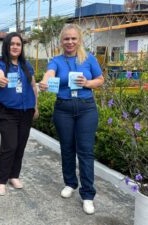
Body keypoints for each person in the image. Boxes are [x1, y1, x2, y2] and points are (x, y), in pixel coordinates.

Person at [39, 24, 104, 214]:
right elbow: (49, 74)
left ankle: (88, 194)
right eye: (66, 39)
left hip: (86, 109)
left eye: (73, 38)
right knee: (67, 148)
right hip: (64, 109)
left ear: (79, 40)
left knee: (85, 151)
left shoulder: (89, 58)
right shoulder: (56, 60)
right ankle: (70, 183)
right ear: (61, 41)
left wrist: (88, 83)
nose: (70, 42)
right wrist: (44, 81)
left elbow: (100, 79)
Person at [0, 32, 39, 196]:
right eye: (12, 44)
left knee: (20, 145)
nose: (15, 47)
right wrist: (0, 79)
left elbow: (33, 86)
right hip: (7, 112)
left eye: (18, 44)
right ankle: (1, 180)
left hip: (26, 111)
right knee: (9, 146)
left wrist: (36, 107)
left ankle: (13, 175)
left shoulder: (27, 65)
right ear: (6, 46)